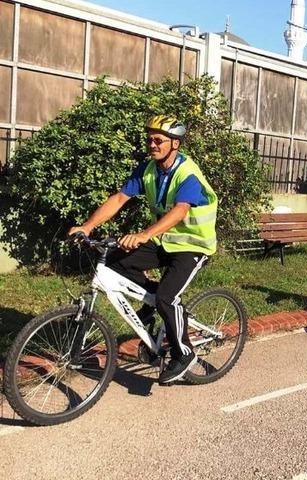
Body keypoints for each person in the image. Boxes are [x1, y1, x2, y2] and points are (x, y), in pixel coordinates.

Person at [68, 115, 218, 384]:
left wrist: (144, 234)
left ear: (175, 144)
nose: (152, 144)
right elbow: (119, 198)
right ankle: (151, 302)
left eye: (158, 140)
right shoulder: (148, 169)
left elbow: (180, 210)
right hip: (165, 240)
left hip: (193, 244)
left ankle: (183, 354)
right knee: (115, 262)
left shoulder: (188, 174)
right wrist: (87, 226)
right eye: (149, 139)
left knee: (166, 298)